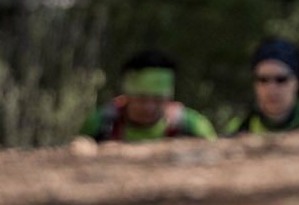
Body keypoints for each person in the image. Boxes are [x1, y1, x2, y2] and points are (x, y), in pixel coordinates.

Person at [78, 49, 218, 142]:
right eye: (141, 99)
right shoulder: (100, 124)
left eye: (158, 100)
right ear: (126, 95)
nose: (148, 107)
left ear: (169, 98)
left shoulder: (192, 126)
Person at [227, 36, 299, 134]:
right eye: (263, 79)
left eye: (281, 79)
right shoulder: (238, 128)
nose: (271, 88)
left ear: (297, 83)